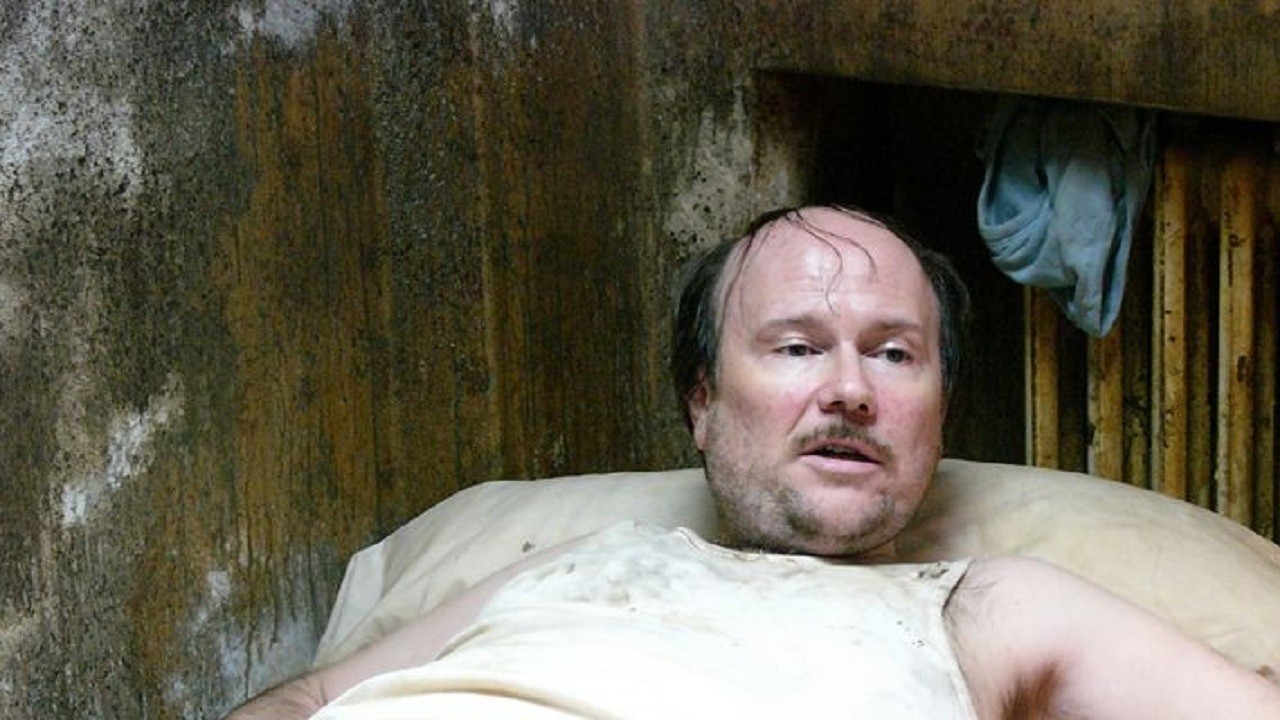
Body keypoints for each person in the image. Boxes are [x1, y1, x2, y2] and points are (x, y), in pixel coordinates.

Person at [228, 205, 1280, 719]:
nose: (850, 389)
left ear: (938, 415)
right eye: (795, 348)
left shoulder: (980, 607)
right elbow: (307, 696)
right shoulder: (580, 564)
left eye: (893, 354)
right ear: (702, 403)